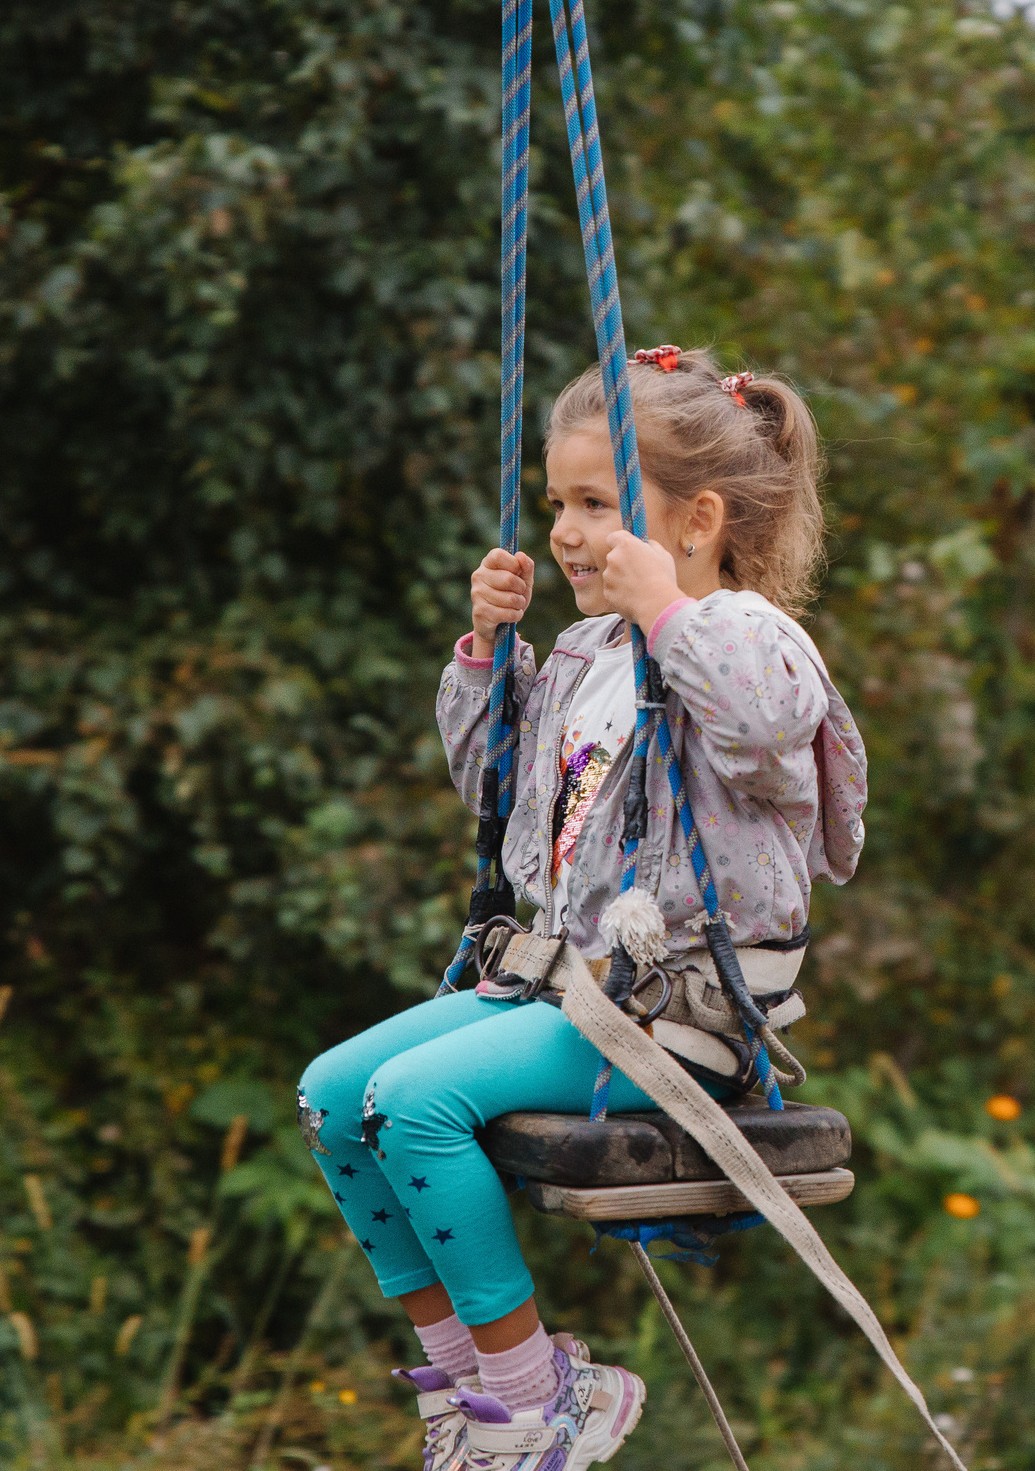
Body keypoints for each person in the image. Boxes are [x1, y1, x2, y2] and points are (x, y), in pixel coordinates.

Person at [295, 346, 867, 1471]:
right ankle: (480, 1391)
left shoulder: (747, 636)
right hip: (564, 985)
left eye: (597, 504)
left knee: (413, 1104)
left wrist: (671, 616)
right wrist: (485, 654)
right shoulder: (582, 652)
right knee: (332, 1094)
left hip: (675, 1015)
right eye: (557, 502)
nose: (563, 530)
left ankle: (532, 1397)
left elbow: (758, 731)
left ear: (695, 522)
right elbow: (497, 788)